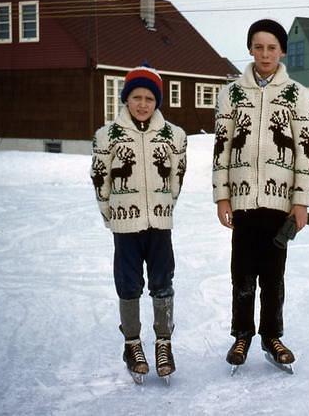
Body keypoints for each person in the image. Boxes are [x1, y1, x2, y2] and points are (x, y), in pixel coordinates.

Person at [212, 19, 309, 369]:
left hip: (279, 202)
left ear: (282, 50)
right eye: (259, 47)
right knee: (242, 272)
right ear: (250, 49)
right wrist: (221, 196)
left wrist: (301, 201)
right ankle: (242, 335)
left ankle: (272, 336)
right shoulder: (232, 94)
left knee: (273, 274)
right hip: (242, 201)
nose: (265, 54)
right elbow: (221, 148)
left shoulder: (298, 95)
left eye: (272, 47)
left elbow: (305, 152)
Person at [90, 64, 187, 384]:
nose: (142, 104)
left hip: (159, 223)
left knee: (162, 280)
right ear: (126, 99)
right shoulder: (107, 136)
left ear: (157, 101)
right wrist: (110, 214)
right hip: (125, 225)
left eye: (149, 98)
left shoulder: (174, 136)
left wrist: (164, 207)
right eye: (136, 97)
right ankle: (132, 343)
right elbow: (100, 178)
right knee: (128, 283)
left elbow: (176, 177)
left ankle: (164, 343)